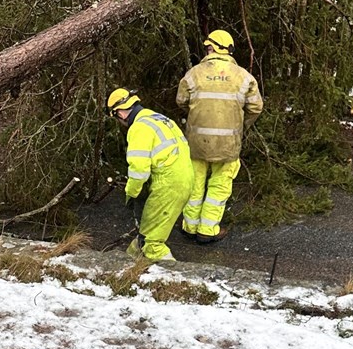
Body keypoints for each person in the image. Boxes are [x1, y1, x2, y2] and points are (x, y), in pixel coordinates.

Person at [177, 29, 263, 243]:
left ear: (210, 48)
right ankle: (207, 230)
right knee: (220, 185)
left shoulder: (193, 74)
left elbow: (181, 101)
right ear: (229, 49)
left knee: (195, 183)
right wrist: (240, 125)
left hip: (196, 143)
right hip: (227, 145)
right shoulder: (244, 77)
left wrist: (198, 117)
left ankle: (189, 226)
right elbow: (256, 108)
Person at [106, 87, 193, 263]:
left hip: (168, 185)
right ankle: (126, 266)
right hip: (184, 179)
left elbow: (139, 170)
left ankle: (172, 281)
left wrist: (131, 193)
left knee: (152, 243)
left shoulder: (139, 128)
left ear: (120, 113)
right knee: (143, 236)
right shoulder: (159, 118)